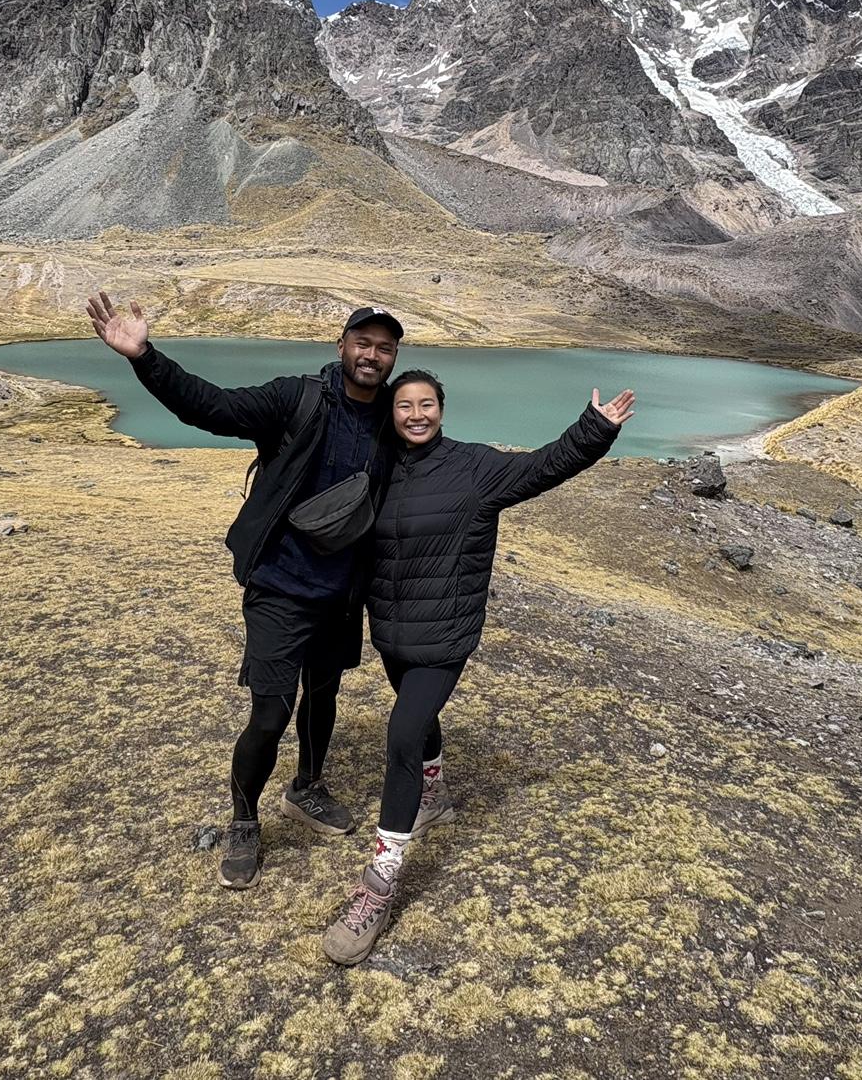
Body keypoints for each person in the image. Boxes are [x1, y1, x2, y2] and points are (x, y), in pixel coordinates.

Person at [85, 290, 404, 890]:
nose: (372, 355)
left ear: (393, 358)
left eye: (384, 348)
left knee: (323, 695)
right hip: (280, 584)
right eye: (363, 343)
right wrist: (143, 357)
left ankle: (307, 787)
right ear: (341, 346)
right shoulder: (297, 398)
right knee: (271, 711)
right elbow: (212, 406)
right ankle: (244, 821)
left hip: (342, 593)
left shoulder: (394, 418)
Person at [321, 369, 636, 965]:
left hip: (445, 634)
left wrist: (594, 430)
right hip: (392, 630)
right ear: (391, 412)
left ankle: (378, 886)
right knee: (418, 720)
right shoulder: (378, 466)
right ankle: (433, 794)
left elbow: (543, 467)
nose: (416, 414)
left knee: (403, 733)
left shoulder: (474, 467)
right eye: (405, 405)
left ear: (442, 409)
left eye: (427, 404)